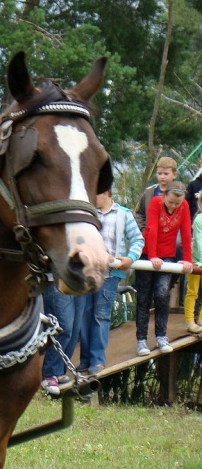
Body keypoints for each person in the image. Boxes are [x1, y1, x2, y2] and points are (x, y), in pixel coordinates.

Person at [77, 190, 144, 375]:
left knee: (101, 315)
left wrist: (130, 258)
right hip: (87, 272)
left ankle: (97, 360)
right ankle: (85, 359)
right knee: (84, 315)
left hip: (109, 274)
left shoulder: (123, 214)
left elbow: (138, 239)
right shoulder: (88, 213)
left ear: (106, 193)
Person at [135, 181, 193, 356]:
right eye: (171, 202)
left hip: (167, 254)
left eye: (177, 203)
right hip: (147, 253)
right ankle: (141, 340)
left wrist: (187, 259)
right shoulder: (155, 202)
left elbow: (185, 233)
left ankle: (161, 336)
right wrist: (152, 255)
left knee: (161, 294)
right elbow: (151, 228)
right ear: (164, 196)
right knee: (144, 298)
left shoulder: (184, 206)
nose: (174, 206)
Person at [134, 156, 177, 231]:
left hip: (171, 236)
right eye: (159, 174)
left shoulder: (179, 193)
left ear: (174, 175)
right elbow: (139, 214)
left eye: (166, 174)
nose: (162, 177)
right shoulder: (149, 192)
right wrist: (144, 230)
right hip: (151, 234)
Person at [183, 190, 202, 335]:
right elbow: (199, 242)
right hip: (196, 260)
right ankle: (190, 320)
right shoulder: (198, 220)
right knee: (192, 291)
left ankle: (201, 318)